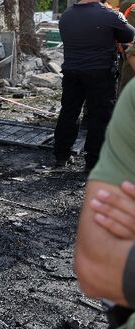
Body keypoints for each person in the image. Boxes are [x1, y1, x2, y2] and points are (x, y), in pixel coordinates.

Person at [53, 0, 135, 171]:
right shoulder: (109, 15)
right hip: (100, 74)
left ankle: (60, 156)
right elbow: (130, 34)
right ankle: (93, 162)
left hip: (72, 72)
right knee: (100, 116)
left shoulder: (67, 15)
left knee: (69, 112)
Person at [74, 81, 135, 328]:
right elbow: (97, 269)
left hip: (75, 72)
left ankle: (63, 153)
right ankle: (86, 159)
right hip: (96, 73)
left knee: (74, 112)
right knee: (97, 117)